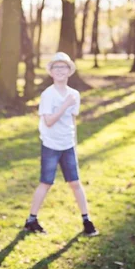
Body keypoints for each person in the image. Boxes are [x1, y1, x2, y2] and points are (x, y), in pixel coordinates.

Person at [24, 52, 98, 237]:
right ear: (51, 71)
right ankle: (31, 220)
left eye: (63, 67)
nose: (59, 70)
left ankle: (86, 220)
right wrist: (64, 105)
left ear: (69, 71)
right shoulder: (48, 95)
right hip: (50, 145)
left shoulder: (74, 94)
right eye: (56, 67)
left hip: (68, 145)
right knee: (46, 182)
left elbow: (73, 120)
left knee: (75, 183)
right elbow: (48, 121)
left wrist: (73, 142)